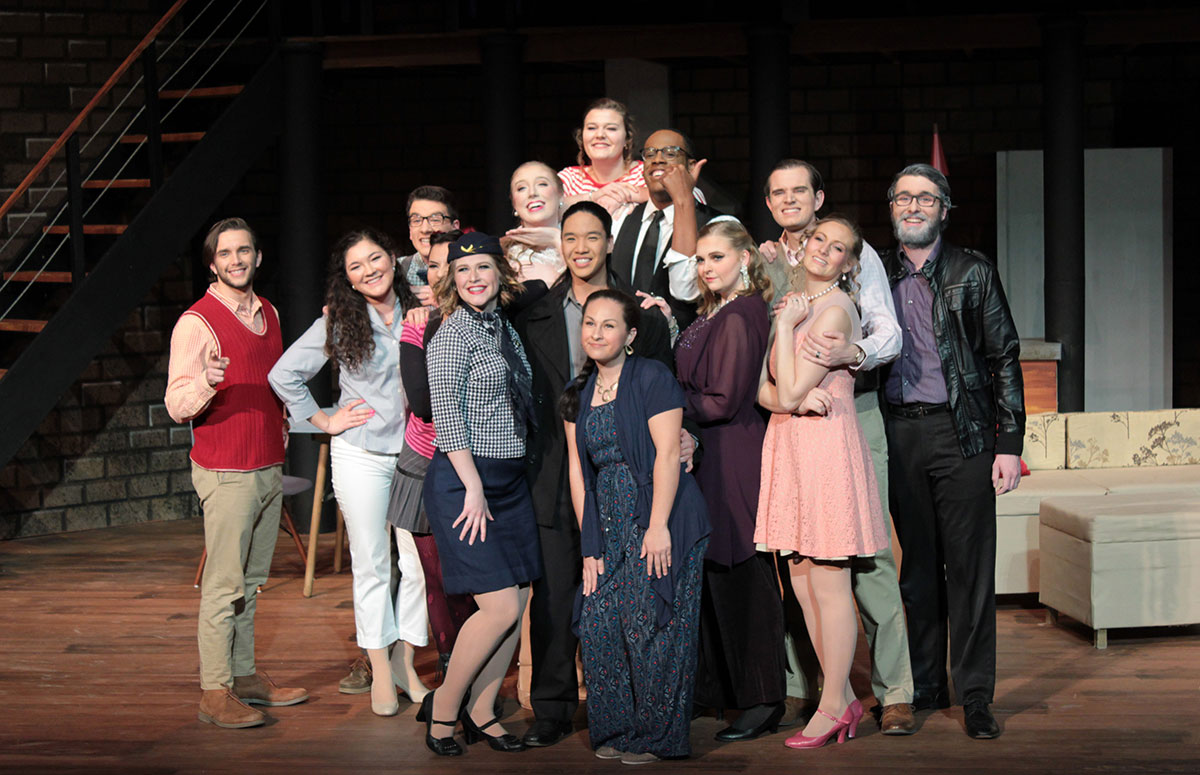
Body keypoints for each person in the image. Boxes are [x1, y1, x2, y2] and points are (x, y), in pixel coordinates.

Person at [760, 159, 914, 734]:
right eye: (779, 192)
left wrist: (857, 353)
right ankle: (817, 687)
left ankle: (895, 690)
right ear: (770, 203)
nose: (790, 200)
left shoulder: (853, 250)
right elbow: (766, 363)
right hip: (791, 420)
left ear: (818, 197)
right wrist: (789, 398)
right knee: (799, 557)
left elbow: (887, 330)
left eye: (800, 190)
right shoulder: (768, 259)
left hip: (849, 410)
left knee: (865, 556)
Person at [513, 201, 675, 748]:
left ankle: (634, 704)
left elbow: (665, 389)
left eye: (591, 236)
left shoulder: (641, 311)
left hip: (623, 473)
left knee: (629, 594)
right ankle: (553, 707)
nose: (580, 247)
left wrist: (687, 438)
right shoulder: (534, 310)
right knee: (556, 592)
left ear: (608, 242)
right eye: (570, 237)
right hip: (552, 472)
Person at [879, 164, 1024, 740]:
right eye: (903, 197)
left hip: (961, 433)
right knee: (917, 571)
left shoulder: (973, 271)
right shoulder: (872, 272)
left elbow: (1003, 356)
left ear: (943, 209)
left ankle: (975, 695)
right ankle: (925, 685)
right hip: (898, 434)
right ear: (892, 207)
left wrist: (1008, 443)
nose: (913, 206)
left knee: (969, 571)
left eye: (925, 198)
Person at [268, 228, 429, 717]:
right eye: (356, 266)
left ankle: (405, 662)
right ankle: (379, 667)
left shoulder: (422, 307)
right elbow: (283, 374)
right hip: (361, 454)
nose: (369, 270)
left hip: (416, 453)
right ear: (349, 280)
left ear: (393, 259)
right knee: (373, 562)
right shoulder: (339, 319)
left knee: (417, 564)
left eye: (375, 258)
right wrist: (325, 420)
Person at [165, 217, 307, 729]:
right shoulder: (196, 322)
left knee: (252, 581)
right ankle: (214, 690)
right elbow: (176, 404)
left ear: (257, 257)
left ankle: (243, 675)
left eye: (243, 251)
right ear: (212, 264)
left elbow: (274, 385)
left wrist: (284, 428)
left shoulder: (269, 312)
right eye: (225, 253)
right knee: (223, 585)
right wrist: (205, 380)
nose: (236, 260)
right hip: (226, 470)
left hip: (267, 464)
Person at [562, 289, 710, 765]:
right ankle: (619, 728)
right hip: (607, 519)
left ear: (629, 335)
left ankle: (659, 735)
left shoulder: (651, 376)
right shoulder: (578, 393)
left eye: (609, 325)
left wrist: (658, 526)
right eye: (590, 323)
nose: (596, 333)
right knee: (599, 623)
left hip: (661, 513)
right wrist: (590, 545)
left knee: (652, 626)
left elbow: (667, 454)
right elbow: (578, 473)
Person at [419, 232, 542, 756]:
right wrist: (472, 486)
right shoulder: (451, 335)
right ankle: (444, 710)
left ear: (500, 273)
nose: (473, 278)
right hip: (465, 482)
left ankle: (483, 709)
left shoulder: (503, 328)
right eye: (463, 271)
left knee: (518, 599)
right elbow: (447, 419)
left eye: (484, 268)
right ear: (451, 280)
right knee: (497, 606)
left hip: (509, 481)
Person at [675, 220, 786, 741]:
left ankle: (764, 698)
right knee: (714, 569)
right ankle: (719, 689)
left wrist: (666, 404)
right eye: (700, 259)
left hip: (733, 453)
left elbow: (721, 400)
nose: (706, 268)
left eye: (716, 257)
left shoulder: (742, 313)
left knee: (743, 572)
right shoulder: (715, 310)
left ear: (744, 258)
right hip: (710, 455)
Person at [388, 230, 478, 682]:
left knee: (475, 577)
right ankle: (450, 669)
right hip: (425, 461)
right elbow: (423, 403)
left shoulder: (488, 320)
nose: (443, 273)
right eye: (436, 265)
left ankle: (477, 669)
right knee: (437, 578)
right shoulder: (419, 323)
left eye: (454, 264)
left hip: (480, 460)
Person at [609, 128, 730, 330]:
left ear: (691, 166)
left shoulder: (719, 225)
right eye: (650, 154)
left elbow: (687, 292)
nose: (657, 159)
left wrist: (683, 198)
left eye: (670, 153)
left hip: (687, 344)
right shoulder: (621, 219)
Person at [558, 97, 649, 218]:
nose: (600, 135)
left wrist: (628, 195)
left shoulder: (645, 173)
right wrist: (594, 196)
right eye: (592, 128)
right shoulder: (569, 178)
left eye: (611, 128)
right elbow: (547, 207)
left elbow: (670, 195)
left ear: (627, 139)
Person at [502, 160, 567, 285]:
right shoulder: (504, 252)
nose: (532, 193)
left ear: (560, 194)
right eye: (521, 188)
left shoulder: (584, 241)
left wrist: (557, 239)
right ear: (514, 203)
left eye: (542, 184)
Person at [400, 185, 462, 306]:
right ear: (410, 230)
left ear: (455, 227)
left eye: (435, 219)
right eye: (416, 220)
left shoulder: (470, 269)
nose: (425, 229)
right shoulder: (396, 271)